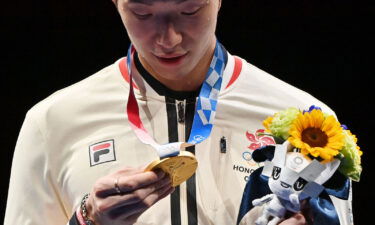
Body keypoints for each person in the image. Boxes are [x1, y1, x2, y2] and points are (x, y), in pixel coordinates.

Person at [4, 0, 353, 224]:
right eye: (142, 13)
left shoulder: (309, 122)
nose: (168, 38)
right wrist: (87, 219)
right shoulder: (51, 122)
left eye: (189, 11)